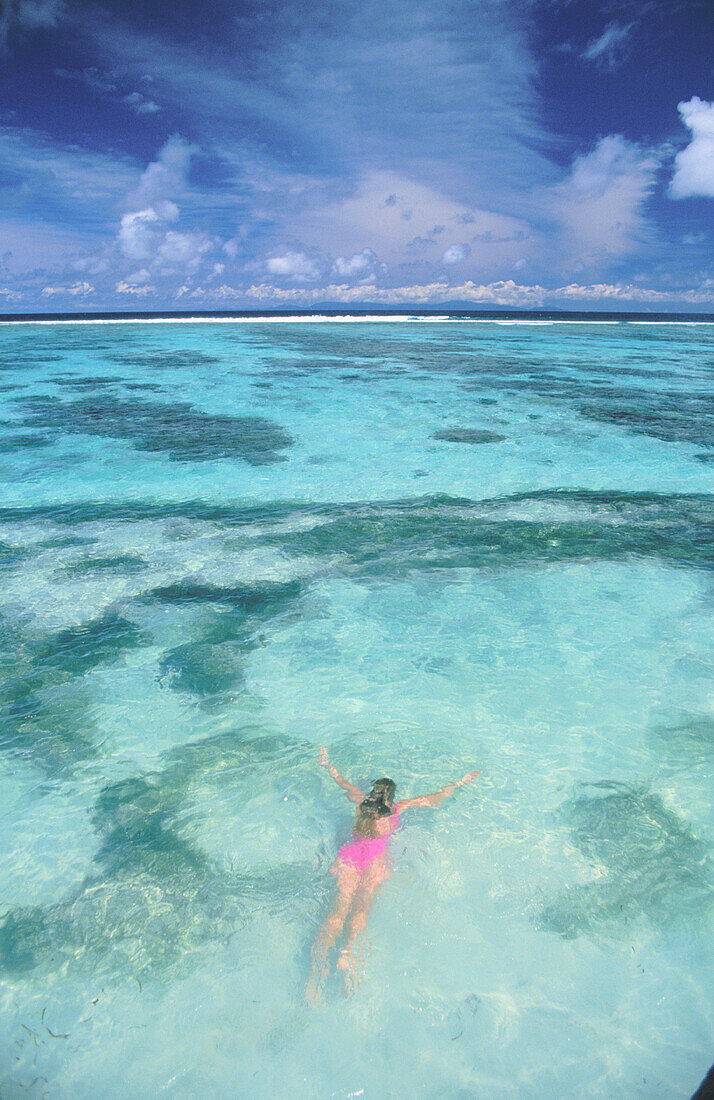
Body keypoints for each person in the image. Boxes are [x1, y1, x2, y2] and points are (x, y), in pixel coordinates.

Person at [306, 746, 481, 999]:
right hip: (376, 860)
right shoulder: (398, 808)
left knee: (338, 910)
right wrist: (461, 782)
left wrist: (326, 763)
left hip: (350, 856)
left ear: (372, 792)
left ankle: (315, 975)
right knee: (362, 908)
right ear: (391, 797)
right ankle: (347, 954)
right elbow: (434, 798)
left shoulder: (359, 802)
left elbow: (339, 780)